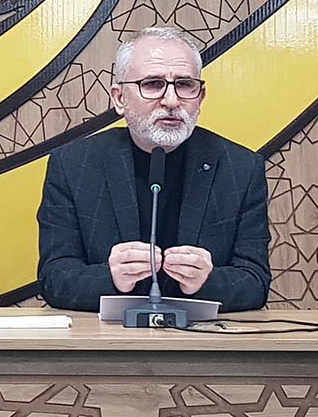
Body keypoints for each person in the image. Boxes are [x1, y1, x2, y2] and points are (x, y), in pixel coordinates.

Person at [37, 27, 271, 312]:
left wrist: (206, 281)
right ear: (119, 98)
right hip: (107, 337)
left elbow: (256, 282)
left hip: (202, 336)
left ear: (200, 96)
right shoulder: (73, 165)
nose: (171, 101)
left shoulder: (240, 168)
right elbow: (54, 278)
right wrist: (111, 277)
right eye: (152, 84)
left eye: (184, 85)